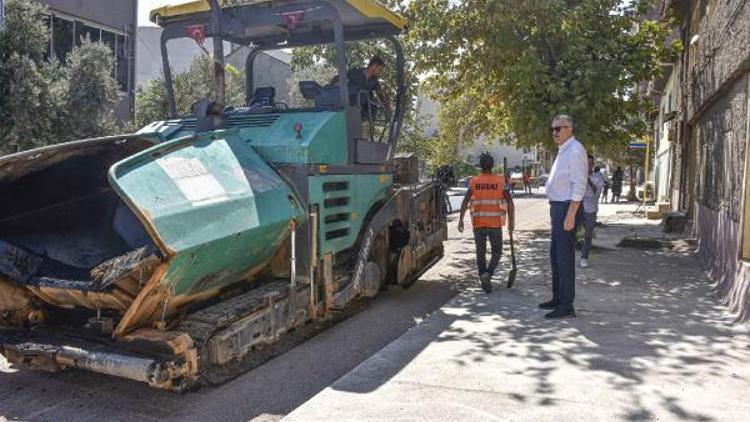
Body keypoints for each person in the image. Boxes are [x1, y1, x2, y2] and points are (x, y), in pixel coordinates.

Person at [540, 114, 587, 319]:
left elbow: (579, 184)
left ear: (569, 129)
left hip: (566, 207)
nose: (554, 132)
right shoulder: (564, 150)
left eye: (558, 128)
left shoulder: (575, 150)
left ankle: (567, 305)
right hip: (558, 207)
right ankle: (558, 297)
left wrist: (571, 214)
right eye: (552, 129)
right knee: (555, 257)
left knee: (565, 258)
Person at [458, 153, 515, 293]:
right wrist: (511, 222)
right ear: (493, 166)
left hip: (478, 223)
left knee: (480, 253)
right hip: (495, 223)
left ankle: (483, 280)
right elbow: (510, 202)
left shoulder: (474, 181)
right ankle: (488, 274)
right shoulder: (500, 181)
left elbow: (465, 201)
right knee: (497, 252)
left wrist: (460, 219)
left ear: (480, 167)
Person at [579, 157, 604, 268]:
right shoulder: (579, 175)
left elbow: (596, 192)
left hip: (591, 208)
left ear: (593, 165)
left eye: (590, 164)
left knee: (588, 234)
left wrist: (588, 181)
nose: (588, 166)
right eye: (586, 164)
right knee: (570, 232)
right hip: (578, 206)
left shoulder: (598, 178)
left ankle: (584, 257)